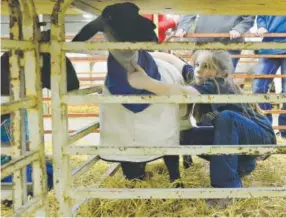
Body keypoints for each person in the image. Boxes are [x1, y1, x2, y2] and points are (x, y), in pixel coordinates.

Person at [127, 50, 276, 188]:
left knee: (226, 117)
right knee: (183, 136)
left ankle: (227, 188)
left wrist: (146, 82)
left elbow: (183, 92)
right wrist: (140, 54)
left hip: (261, 136)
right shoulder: (201, 77)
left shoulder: (218, 84)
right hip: (239, 139)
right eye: (197, 64)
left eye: (205, 66)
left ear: (219, 72)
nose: (198, 69)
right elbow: (173, 60)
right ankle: (242, 164)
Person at [175, 15, 255, 69]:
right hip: (203, 43)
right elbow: (190, 9)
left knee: (224, 78)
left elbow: (249, 17)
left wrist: (239, 29)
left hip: (228, 44)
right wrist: (183, 27)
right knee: (198, 78)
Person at [252, 16, 286, 138]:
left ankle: (284, 130)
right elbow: (261, 15)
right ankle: (265, 128)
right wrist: (261, 26)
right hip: (269, 44)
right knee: (257, 87)